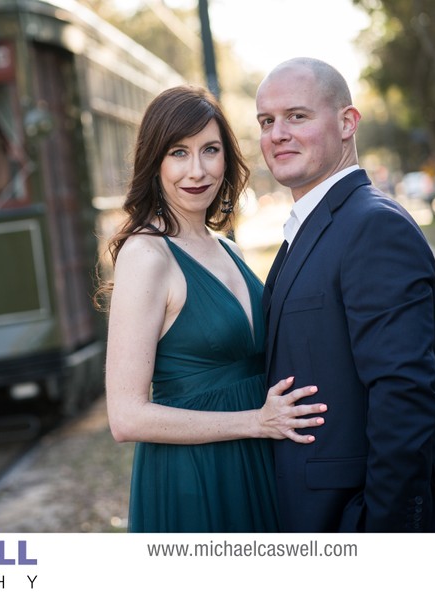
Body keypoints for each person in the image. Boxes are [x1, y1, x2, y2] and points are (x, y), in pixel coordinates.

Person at [255, 57, 435, 532]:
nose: (277, 134)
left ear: (348, 123)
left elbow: (406, 400)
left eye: (297, 116)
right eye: (267, 121)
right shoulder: (310, 228)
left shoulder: (373, 226)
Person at [101, 85, 327, 533]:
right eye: (178, 153)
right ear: (154, 162)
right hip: (196, 478)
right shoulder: (147, 256)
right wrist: (257, 422)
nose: (198, 170)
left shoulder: (228, 249)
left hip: (259, 461)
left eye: (210, 150)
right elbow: (126, 417)